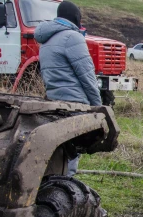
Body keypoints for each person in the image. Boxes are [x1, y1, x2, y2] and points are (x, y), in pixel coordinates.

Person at [35, 0, 101, 176]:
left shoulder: (45, 40)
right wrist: (97, 105)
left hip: (54, 102)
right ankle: (66, 191)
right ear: (75, 18)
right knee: (73, 151)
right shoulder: (73, 37)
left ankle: (54, 183)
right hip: (75, 104)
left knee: (60, 150)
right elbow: (87, 75)